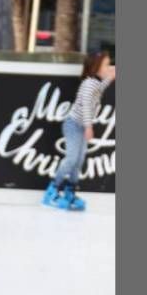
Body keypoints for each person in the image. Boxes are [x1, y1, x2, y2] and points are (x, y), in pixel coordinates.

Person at [42, 50, 115, 212]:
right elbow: (87, 106)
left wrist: (109, 77)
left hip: (80, 126)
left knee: (78, 160)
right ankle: (52, 190)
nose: (109, 67)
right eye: (106, 65)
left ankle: (69, 191)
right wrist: (89, 127)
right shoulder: (89, 84)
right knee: (71, 158)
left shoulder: (94, 83)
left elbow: (99, 89)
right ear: (96, 67)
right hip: (74, 125)